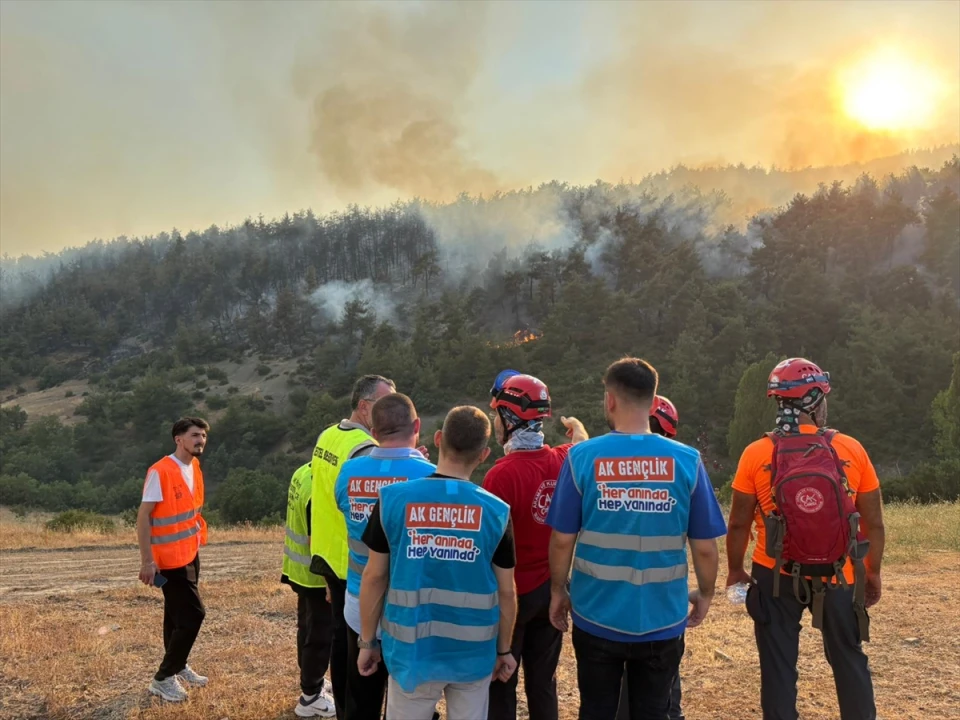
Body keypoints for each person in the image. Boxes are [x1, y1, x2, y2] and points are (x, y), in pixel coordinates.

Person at [547, 358, 726, 720]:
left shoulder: (581, 457)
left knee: (596, 710)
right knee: (654, 711)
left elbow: (562, 540)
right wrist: (706, 593)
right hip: (662, 618)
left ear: (610, 400)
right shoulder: (687, 460)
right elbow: (706, 548)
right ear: (654, 400)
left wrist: (557, 590)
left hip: (596, 614)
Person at [725, 358, 885, 720]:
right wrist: (872, 572)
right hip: (840, 573)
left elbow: (737, 524)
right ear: (814, 400)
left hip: (774, 573)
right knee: (849, 658)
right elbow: (874, 524)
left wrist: (736, 570)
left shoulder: (756, 453)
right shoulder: (851, 449)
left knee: (778, 667)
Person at [356, 406, 519, 720]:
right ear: (484, 454)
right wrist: (504, 649)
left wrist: (367, 642)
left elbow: (374, 577)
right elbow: (507, 592)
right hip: (473, 654)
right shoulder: (497, 512)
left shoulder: (392, 500)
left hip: (411, 650)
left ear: (439, 438)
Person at [483, 372, 589, 720]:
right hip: (550, 591)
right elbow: (581, 444)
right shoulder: (564, 460)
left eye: (497, 414)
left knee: (501, 683)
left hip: (511, 596)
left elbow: (491, 547)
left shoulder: (500, 476)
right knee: (543, 684)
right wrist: (577, 427)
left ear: (510, 419)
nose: (494, 422)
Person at [334, 393, 436, 720]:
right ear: (416, 426)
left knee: (361, 697)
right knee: (410, 702)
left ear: (374, 432)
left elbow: (343, 510)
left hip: (359, 601)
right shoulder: (432, 476)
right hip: (411, 605)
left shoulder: (348, 472)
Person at [309, 374, 396, 719]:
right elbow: (377, 508)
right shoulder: (364, 448)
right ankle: (354, 708)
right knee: (357, 641)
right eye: (384, 404)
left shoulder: (328, 435)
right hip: (353, 559)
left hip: (326, 550)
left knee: (339, 638)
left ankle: (345, 707)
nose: (390, 411)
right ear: (363, 406)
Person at [616, 395, 685, 720]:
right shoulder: (680, 468)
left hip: (613, 602)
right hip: (664, 602)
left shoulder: (607, 467)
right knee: (664, 684)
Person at [137, 417, 211, 703]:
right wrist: (147, 561)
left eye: (203, 436)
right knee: (194, 614)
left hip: (190, 552)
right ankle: (163, 678)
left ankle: (178, 665)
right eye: (195, 435)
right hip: (168, 560)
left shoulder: (194, 466)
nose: (200, 440)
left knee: (175, 613)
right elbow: (144, 517)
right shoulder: (161, 471)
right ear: (178, 439)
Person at [282, 462, 337, 718]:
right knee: (320, 636)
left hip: (299, 571)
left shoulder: (303, 471)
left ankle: (311, 681)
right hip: (316, 578)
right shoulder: (319, 489)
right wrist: (329, 583)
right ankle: (310, 696)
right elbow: (316, 540)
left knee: (306, 629)